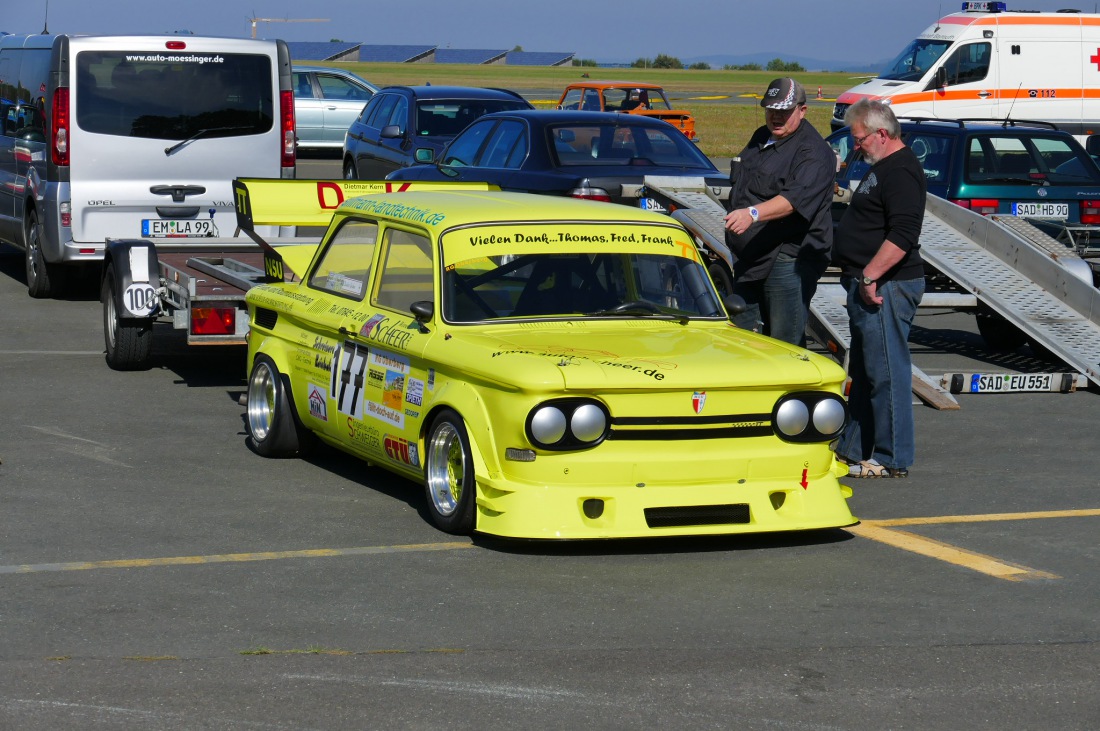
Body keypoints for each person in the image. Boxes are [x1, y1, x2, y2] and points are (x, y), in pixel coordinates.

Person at [833, 99, 927, 478]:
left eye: (860, 139)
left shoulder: (901, 172)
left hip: (887, 284)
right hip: (868, 282)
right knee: (866, 369)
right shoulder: (884, 167)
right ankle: (852, 449)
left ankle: (891, 457)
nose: (857, 146)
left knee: (886, 370)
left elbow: (904, 233)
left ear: (882, 134)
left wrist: (871, 276)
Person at [722, 77, 835, 346]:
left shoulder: (813, 152)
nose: (776, 117)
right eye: (771, 110)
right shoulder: (762, 137)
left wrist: (752, 214)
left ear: (802, 110)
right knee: (742, 337)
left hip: (786, 259)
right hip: (751, 257)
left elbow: (792, 200)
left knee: (783, 342)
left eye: (784, 111)